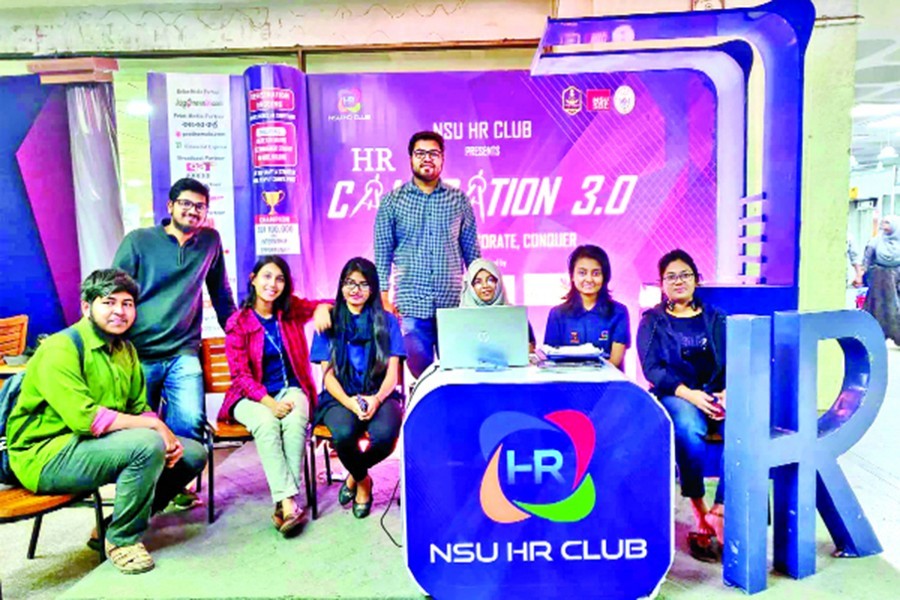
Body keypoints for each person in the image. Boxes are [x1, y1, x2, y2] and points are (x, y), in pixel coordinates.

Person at [5, 269, 207, 574]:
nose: (119, 311)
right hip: (44, 455)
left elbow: (139, 406)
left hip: (92, 446)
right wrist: (155, 428)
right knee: (146, 444)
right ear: (87, 307)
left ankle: (110, 528)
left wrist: (162, 432)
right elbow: (86, 419)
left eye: (127, 304)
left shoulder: (125, 349)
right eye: (108, 302)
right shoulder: (60, 348)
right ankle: (123, 541)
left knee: (191, 454)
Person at [113, 177, 237, 508]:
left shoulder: (210, 242)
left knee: (189, 425)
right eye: (186, 203)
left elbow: (221, 293)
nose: (192, 210)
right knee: (142, 431)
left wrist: (240, 332)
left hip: (183, 351)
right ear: (170, 206)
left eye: (200, 206)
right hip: (138, 352)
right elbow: (113, 294)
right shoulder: (138, 241)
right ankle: (139, 495)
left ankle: (173, 487)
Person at [218, 256, 332, 536]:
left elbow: (331, 300)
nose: (273, 284)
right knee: (267, 424)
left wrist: (322, 308)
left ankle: (285, 503)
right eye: (267, 276)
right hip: (249, 396)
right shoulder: (238, 322)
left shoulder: (289, 310)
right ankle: (288, 500)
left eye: (280, 279)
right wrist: (269, 403)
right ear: (253, 279)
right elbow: (241, 377)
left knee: (295, 423)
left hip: (291, 387)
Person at [636, 249, 726, 563]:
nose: (678, 281)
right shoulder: (653, 321)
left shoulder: (715, 318)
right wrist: (691, 395)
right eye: (670, 276)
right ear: (661, 284)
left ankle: (721, 509)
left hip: (716, 393)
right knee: (689, 429)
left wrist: (727, 391)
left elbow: (736, 357)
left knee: (745, 426)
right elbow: (653, 369)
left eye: (684, 275)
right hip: (676, 395)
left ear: (696, 279)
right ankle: (701, 513)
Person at [374, 130, 481, 378]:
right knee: (420, 380)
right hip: (411, 308)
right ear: (410, 158)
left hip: (452, 306)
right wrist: (384, 300)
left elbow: (473, 256)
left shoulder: (459, 201)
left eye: (433, 153)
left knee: (456, 378)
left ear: (442, 159)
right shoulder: (392, 202)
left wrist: (478, 302)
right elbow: (382, 255)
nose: (427, 159)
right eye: (420, 153)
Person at [309, 257, 406, 519]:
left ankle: (353, 476)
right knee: (343, 433)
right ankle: (364, 483)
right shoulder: (329, 319)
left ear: (373, 288)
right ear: (341, 286)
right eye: (349, 283)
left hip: (380, 394)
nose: (355, 289)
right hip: (339, 396)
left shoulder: (387, 321)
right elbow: (327, 376)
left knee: (386, 435)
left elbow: (392, 374)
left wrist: (375, 399)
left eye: (363, 284)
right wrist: (351, 403)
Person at [543, 244, 630, 369]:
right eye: (582, 273)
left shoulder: (618, 312)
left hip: (607, 384)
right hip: (568, 383)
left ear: (605, 277)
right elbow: (551, 359)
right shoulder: (557, 314)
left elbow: (615, 361)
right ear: (572, 276)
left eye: (595, 273)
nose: (589, 279)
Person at [459, 257, 536, 351]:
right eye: (478, 282)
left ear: (498, 282)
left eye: (490, 280)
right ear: (471, 287)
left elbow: (531, 347)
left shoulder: (516, 316)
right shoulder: (459, 319)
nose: (485, 286)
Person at [863, 216, 900, 344]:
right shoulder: (877, 240)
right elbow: (868, 257)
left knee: (894, 307)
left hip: (896, 277)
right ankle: (877, 334)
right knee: (876, 306)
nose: (883, 225)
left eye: (887, 223)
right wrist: (864, 272)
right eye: (883, 222)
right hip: (878, 278)